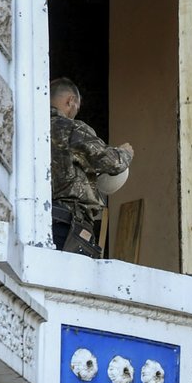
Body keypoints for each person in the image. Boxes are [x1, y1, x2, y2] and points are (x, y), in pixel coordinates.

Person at [49, 77, 134, 257]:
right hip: (68, 225)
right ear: (71, 101)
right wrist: (125, 153)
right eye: (77, 106)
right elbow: (112, 163)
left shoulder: (30, 126)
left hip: (35, 222)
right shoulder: (70, 128)